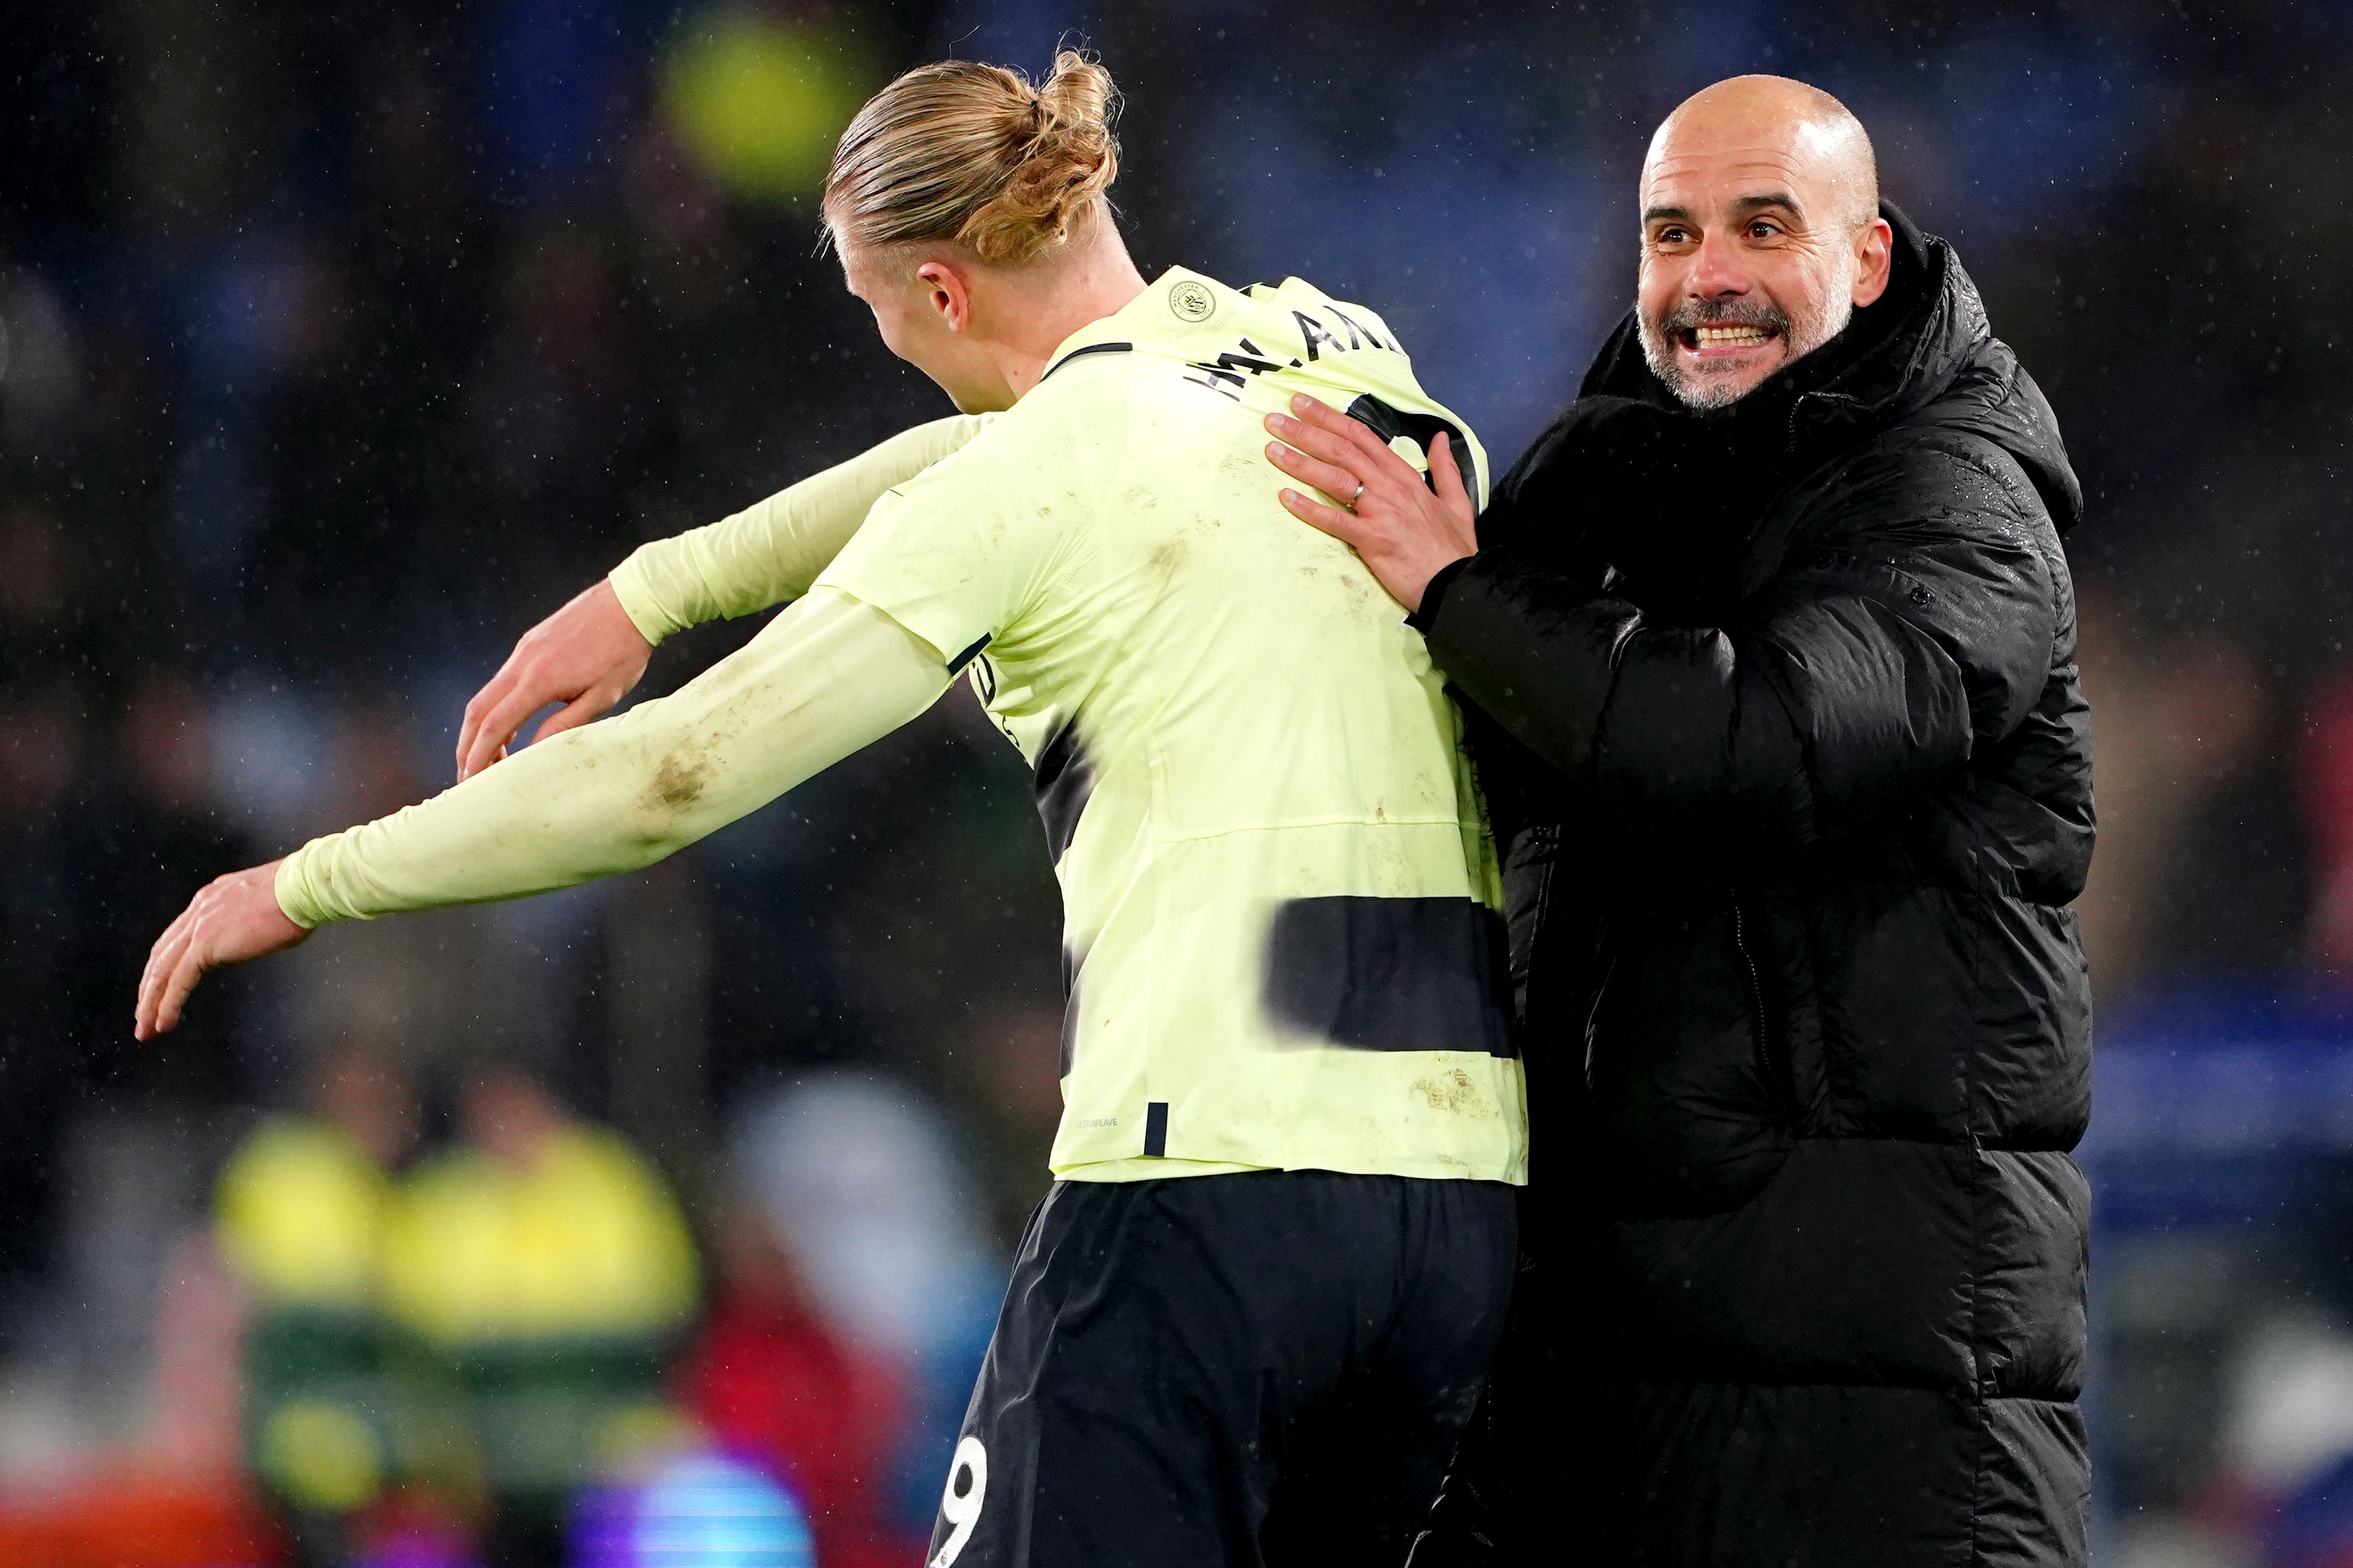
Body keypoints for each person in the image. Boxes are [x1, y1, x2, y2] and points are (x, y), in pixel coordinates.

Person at [136, 51, 1526, 1567]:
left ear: (938, 294)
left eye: (875, 311)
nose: (888, 348)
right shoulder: (1334, 348)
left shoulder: (1034, 480)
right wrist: (655, 587)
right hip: (1458, 1210)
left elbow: (672, 778)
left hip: (1214, 1193)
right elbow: (986, 450)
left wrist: (310, 881)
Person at [1265, 75, 2093, 1567]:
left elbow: (1758, 741)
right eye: (1671, 233)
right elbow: (1435, 783)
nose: (1706, 275)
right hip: (1600, 1381)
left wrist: (1462, 592)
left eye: (1762, 226)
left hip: (1882, 1422)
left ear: (1869, 260)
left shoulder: (1958, 500)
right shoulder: (1596, 488)